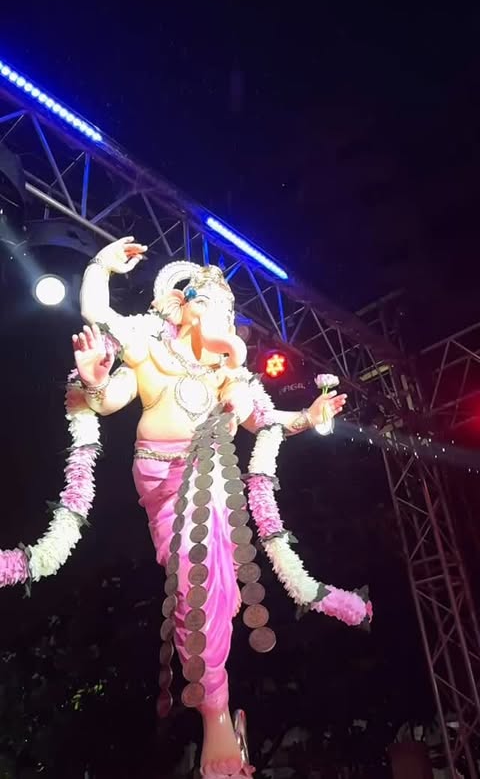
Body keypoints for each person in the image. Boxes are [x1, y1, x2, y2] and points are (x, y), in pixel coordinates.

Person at [73, 237, 348, 778]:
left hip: (213, 482)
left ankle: (218, 713)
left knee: (209, 589)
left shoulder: (229, 375)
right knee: (194, 580)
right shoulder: (151, 350)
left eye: (228, 308)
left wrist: (309, 415)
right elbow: (100, 339)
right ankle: (217, 715)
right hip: (162, 479)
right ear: (182, 307)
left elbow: (266, 421)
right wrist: (99, 273)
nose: (223, 315)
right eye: (210, 304)